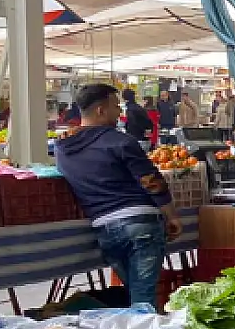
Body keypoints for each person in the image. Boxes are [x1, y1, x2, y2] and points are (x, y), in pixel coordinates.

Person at [55, 84, 182, 309]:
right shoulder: (120, 141)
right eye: (116, 106)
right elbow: (152, 182)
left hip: (104, 229)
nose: (120, 112)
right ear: (100, 110)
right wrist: (171, 216)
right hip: (140, 225)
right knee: (143, 301)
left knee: (135, 295)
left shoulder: (63, 148)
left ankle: (136, 328)